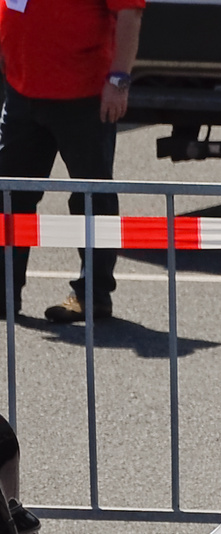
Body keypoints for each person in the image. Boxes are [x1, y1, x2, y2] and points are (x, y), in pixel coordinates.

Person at [0, 0, 143, 323]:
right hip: (22, 91)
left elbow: (130, 15)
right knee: (10, 197)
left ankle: (92, 296)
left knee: (90, 198)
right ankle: (4, 293)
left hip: (83, 97)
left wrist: (119, 80)